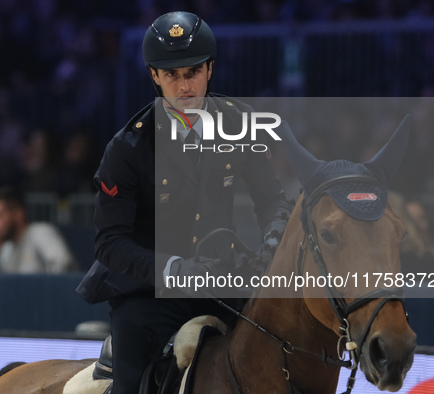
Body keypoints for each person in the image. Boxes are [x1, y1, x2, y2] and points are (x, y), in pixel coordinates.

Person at [76, 11, 291, 394]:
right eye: (171, 74)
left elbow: (273, 200)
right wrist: (175, 269)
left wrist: (273, 241)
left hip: (222, 281)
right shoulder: (128, 148)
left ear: (210, 69)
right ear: (154, 76)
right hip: (147, 293)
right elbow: (109, 244)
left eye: (192, 72)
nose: (184, 85)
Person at [0, 186, 78, 273]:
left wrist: (45, 291)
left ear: (18, 214)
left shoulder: (40, 232)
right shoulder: (5, 249)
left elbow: (64, 264)